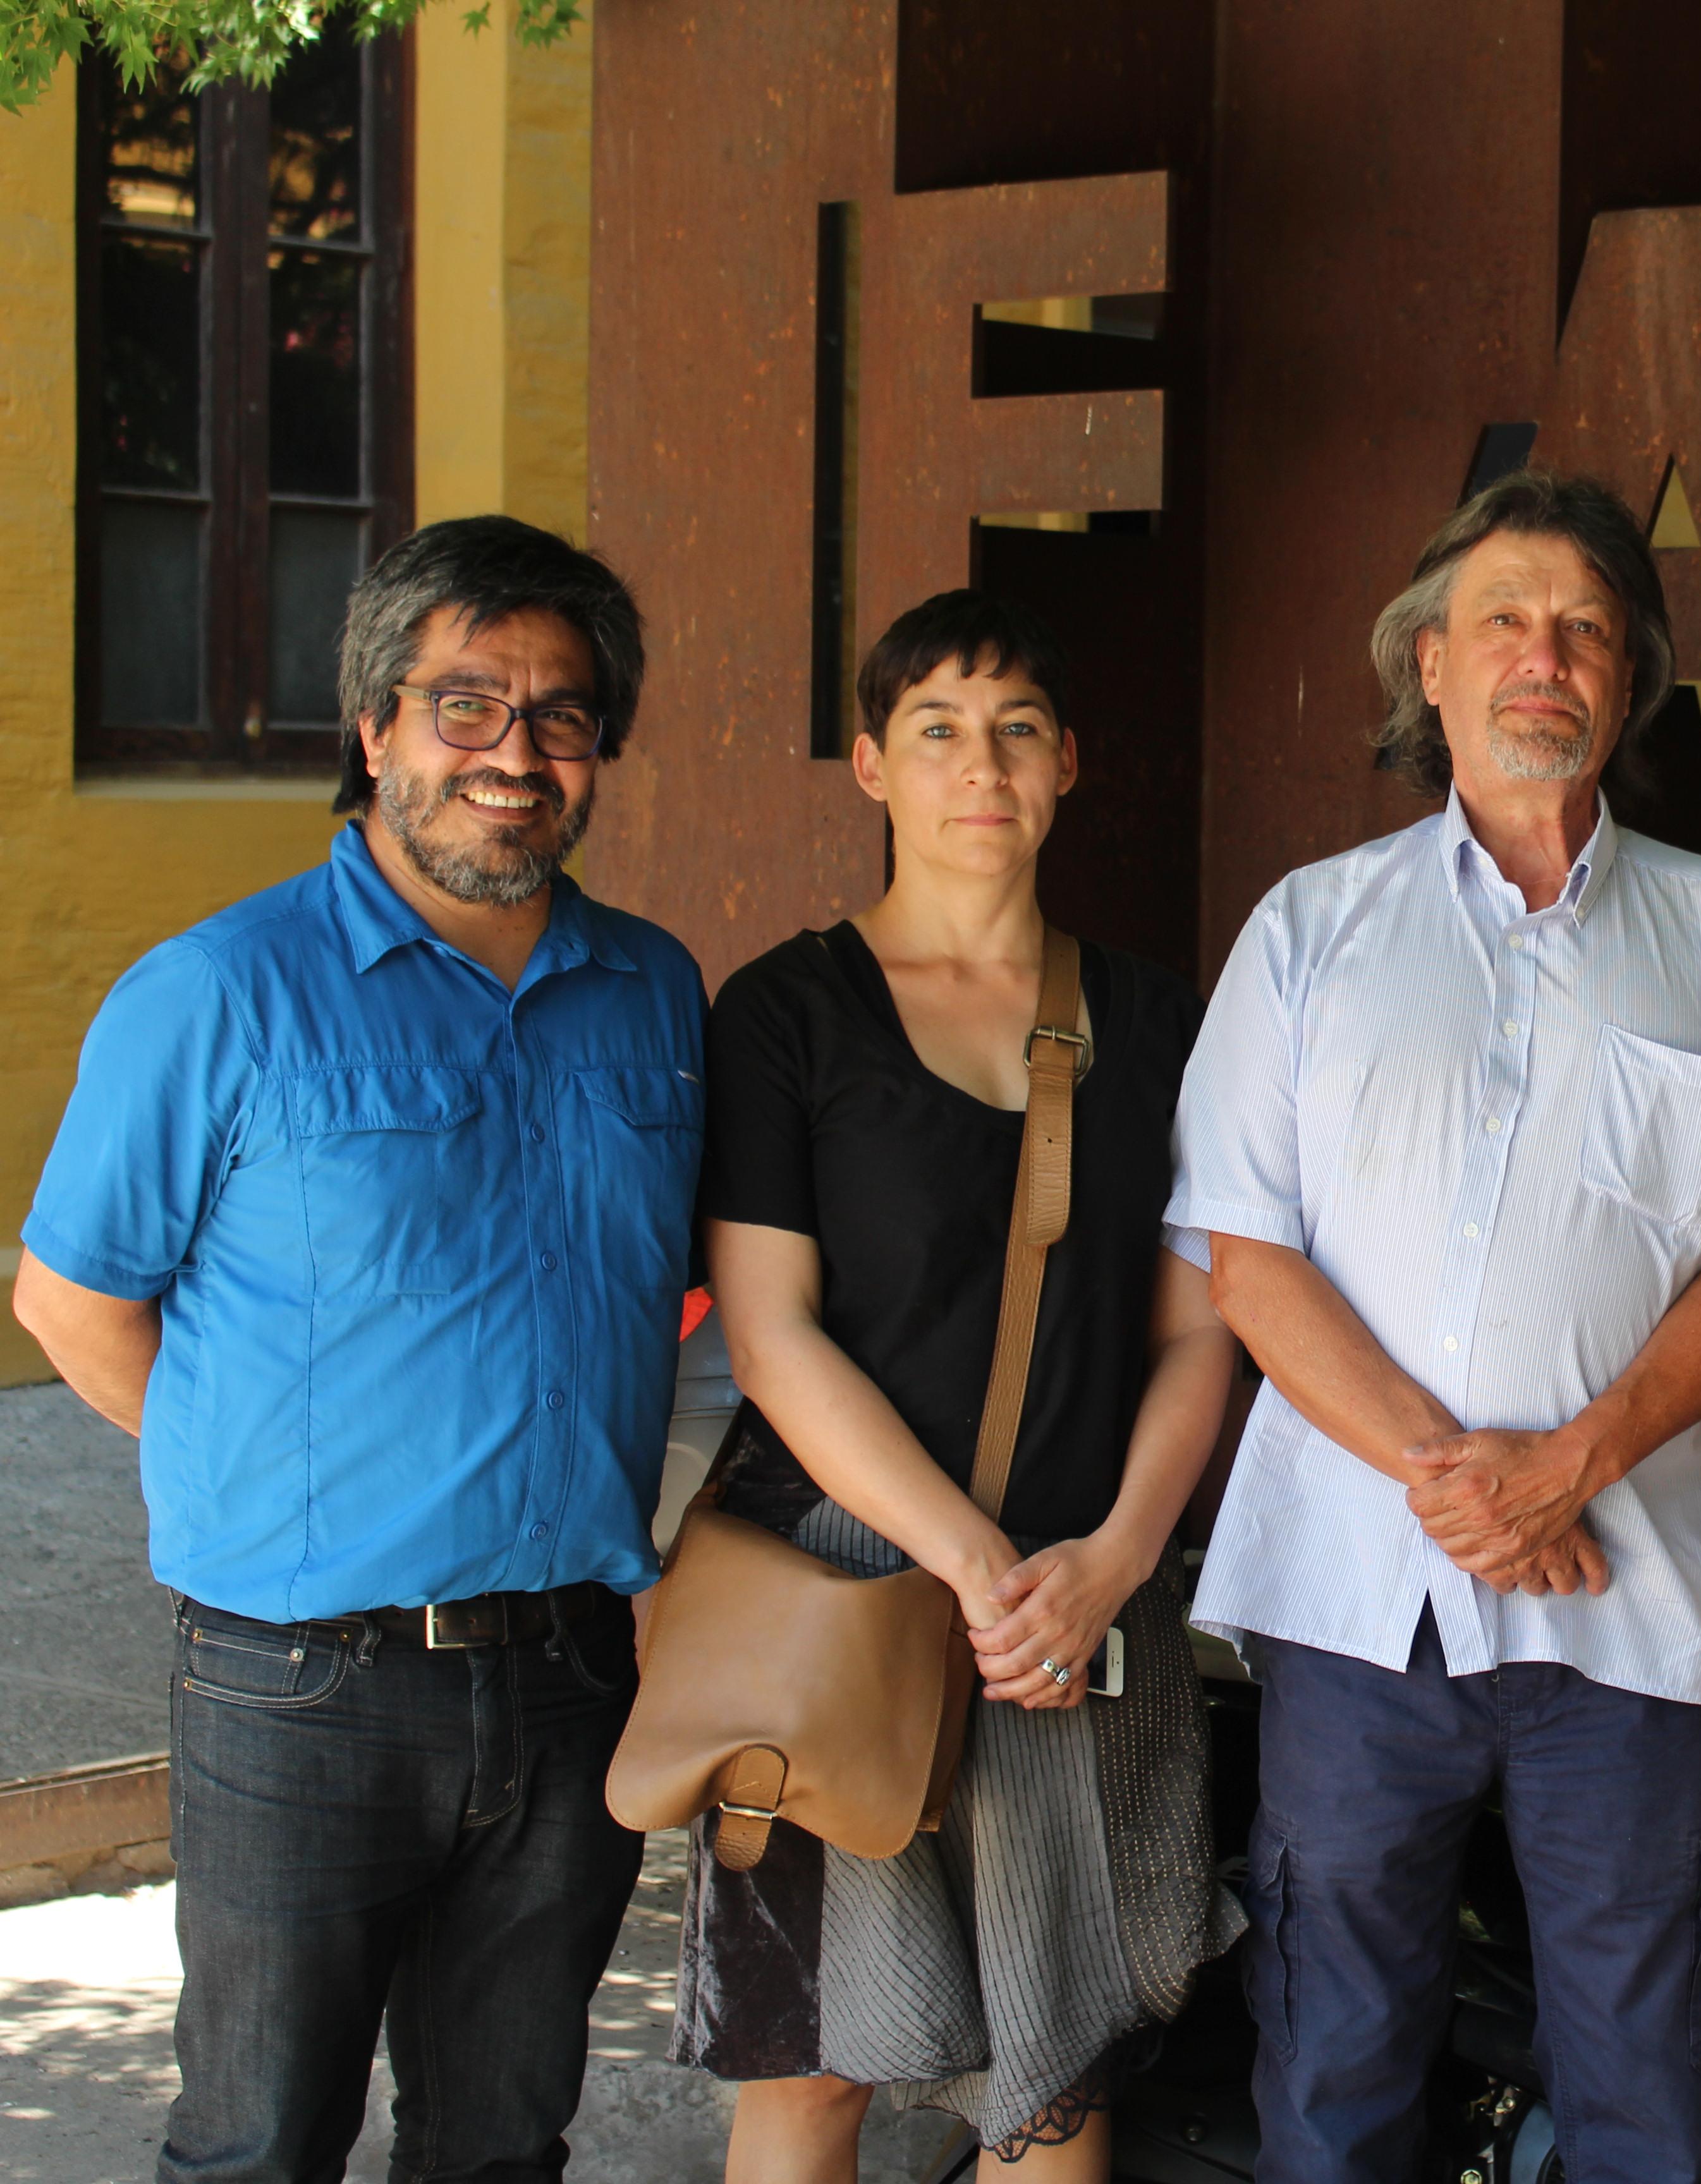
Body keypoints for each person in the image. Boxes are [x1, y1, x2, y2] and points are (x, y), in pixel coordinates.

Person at [11, 516, 698, 2181]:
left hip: (570, 1676)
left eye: (561, 715)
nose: (515, 755)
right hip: (298, 1681)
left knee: (503, 2142)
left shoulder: (656, 995)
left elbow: (689, 1292)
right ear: (375, 727)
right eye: (466, 705)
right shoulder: (217, 996)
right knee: (258, 2143)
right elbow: (72, 1300)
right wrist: (256, 1475)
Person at [1166, 469, 1701, 2184]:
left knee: (1649, 2081)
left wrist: (1569, 1471)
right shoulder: (1312, 930)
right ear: (1433, 669)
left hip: (1625, 1615)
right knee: (1333, 2066)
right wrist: (1462, 1482)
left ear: (1629, 685)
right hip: (1358, 1615)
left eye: (1588, 630)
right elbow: (1248, 1256)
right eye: (1508, 623)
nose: (1548, 655)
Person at [673, 590, 1243, 2177]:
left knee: (1051, 2070)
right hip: (841, 1592)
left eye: (1015, 732)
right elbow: (772, 1330)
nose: (977, 766)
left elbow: (1201, 1329)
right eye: (935, 729)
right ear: (870, 766)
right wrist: (978, 1567)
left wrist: (1112, 1562)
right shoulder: (787, 1014)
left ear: (1067, 767)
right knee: (809, 2067)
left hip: (1079, 1597)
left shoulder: (1154, 1021)